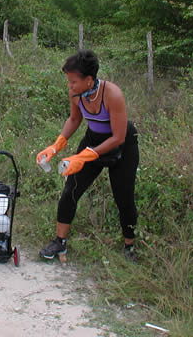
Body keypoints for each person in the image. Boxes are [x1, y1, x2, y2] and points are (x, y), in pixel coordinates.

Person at [36, 50, 139, 262]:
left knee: (123, 196)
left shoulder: (113, 95)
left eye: (73, 82)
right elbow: (74, 120)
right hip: (93, 138)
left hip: (122, 145)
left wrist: (84, 156)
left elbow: (118, 137)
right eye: (68, 81)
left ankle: (130, 246)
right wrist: (56, 146)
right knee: (71, 188)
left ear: (89, 80)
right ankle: (59, 242)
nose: (69, 86)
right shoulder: (76, 94)